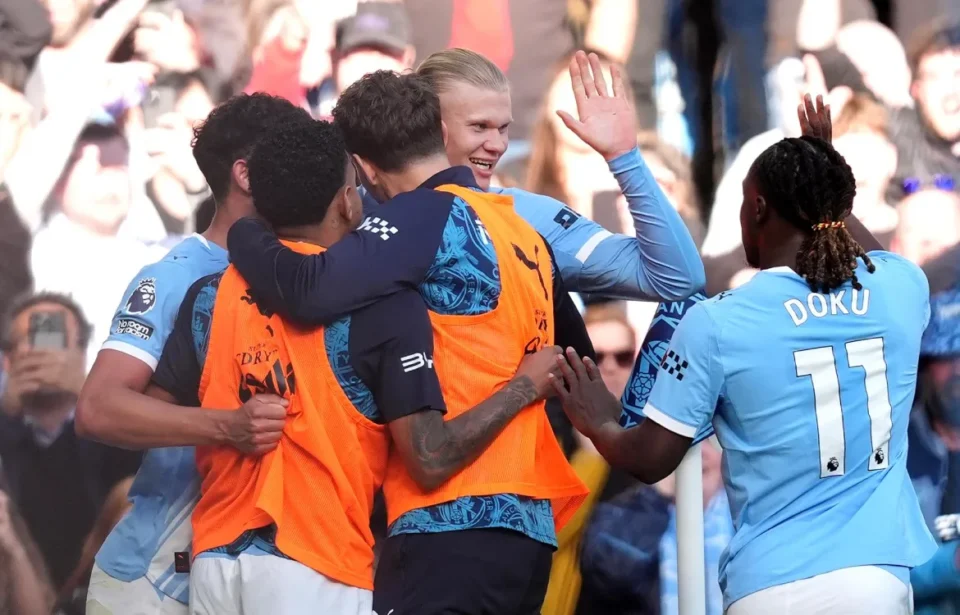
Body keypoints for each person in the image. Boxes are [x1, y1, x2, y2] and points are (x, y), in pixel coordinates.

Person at [152, 119, 567, 613]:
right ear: (349, 202)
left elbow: (155, 412)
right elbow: (430, 457)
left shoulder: (207, 297)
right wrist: (523, 386)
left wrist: (227, 424)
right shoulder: (383, 305)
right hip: (316, 562)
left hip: (215, 561)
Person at [553, 95, 937, 614]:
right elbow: (872, 260)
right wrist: (824, 188)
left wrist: (598, 421)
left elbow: (649, 460)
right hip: (876, 582)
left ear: (756, 208)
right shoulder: (902, 287)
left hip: (773, 586)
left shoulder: (717, 321)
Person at [76, 93, 312, 614]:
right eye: (291, 157)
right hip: (153, 576)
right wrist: (228, 426)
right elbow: (97, 408)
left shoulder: (308, 272)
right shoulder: (175, 275)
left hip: (248, 572)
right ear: (245, 175)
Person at [413, 48, 705, 301]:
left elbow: (677, 279)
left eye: (503, 129)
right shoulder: (383, 205)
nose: (497, 145)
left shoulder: (525, 215)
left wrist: (625, 159)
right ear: (429, 125)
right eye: (479, 127)